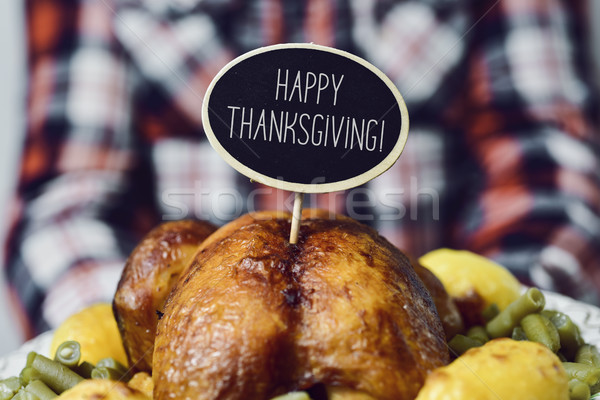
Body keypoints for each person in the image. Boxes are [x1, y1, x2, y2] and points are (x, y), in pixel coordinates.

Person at [5, 0, 600, 337]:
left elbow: (551, 176)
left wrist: (496, 327)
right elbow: (65, 206)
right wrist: (141, 342)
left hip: (429, 328)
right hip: (180, 327)